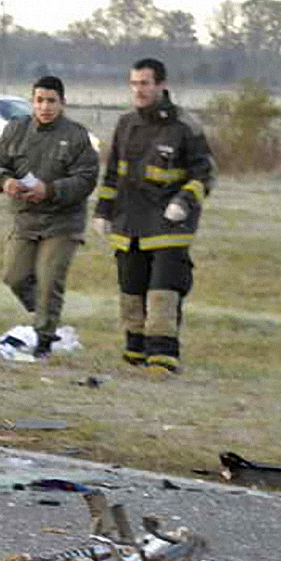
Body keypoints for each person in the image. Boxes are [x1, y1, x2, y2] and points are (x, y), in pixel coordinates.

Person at [92, 58, 216, 373]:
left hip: (169, 224)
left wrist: (184, 202)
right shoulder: (125, 124)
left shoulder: (185, 126)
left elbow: (205, 173)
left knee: (162, 290)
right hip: (129, 222)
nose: (138, 90)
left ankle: (162, 356)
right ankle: (136, 350)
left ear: (161, 85)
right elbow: (112, 174)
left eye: (144, 83)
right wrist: (103, 211)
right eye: (134, 83)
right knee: (131, 289)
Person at [0, 76, 99, 357]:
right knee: (14, 276)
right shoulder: (16, 130)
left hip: (62, 222)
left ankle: (44, 341)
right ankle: (47, 316)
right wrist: (3, 180)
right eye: (39, 100)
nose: (45, 107)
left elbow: (87, 179)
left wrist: (50, 190)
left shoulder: (76, 136)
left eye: (51, 101)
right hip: (26, 220)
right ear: (32, 102)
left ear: (62, 103)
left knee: (49, 279)